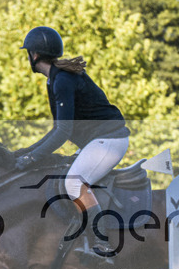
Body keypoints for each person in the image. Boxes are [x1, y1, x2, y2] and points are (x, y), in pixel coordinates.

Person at [15, 26, 129, 256]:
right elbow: (58, 129)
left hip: (109, 140)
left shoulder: (62, 80)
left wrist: (32, 157)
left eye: (28, 53)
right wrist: (25, 152)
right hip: (99, 142)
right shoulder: (56, 79)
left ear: (34, 55)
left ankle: (103, 241)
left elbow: (63, 133)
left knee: (74, 183)